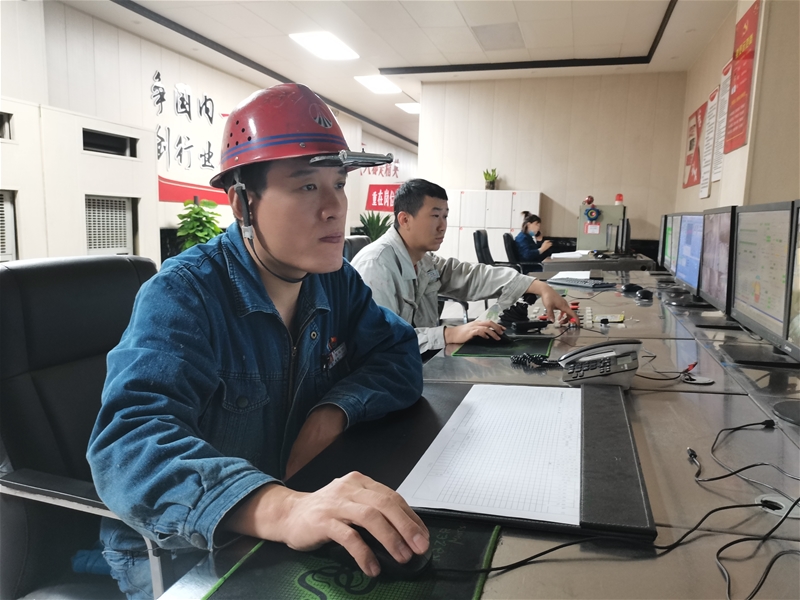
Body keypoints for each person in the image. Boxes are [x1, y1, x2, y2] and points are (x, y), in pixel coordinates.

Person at [87, 84, 429, 599]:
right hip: (176, 550)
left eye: (338, 184)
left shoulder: (334, 281)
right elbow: (129, 443)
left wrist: (334, 411)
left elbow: (398, 353)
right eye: (307, 186)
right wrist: (282, 508)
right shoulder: (184, 295)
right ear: (243, 204)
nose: (335, 207)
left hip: (293, 514)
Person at [351, 179, 578, 353]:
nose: (442, 226)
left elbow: (469, 276)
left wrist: (537, 286)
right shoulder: (376, 266)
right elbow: (379, 341)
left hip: (416, 365)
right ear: (405, 220)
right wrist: (448, 334)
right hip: (383, 381)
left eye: (445, 216)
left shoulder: (424, 259)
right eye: (435, 216)